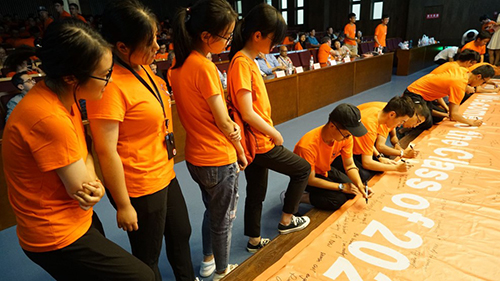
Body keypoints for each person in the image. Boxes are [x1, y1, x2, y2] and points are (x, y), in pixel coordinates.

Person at [3, 18, 155, 281]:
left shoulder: (62, 96)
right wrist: (90, 173)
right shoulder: (49, 117)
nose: (109, 81)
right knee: (142, 276)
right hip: (54, 232)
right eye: (104, 75)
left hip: (73, 218)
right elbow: (83, 190)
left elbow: (85, 151)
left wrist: (89, 169)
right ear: (72, 77)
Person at [86, 1, 195, 280]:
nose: (157, 47)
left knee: (181, 233)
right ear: (122, 46)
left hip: (164, 172)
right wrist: (123, 205)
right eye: (150, 42)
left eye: (157, 37)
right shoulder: (109, 86)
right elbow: (105, 150)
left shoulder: (143, 66)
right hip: (139, 184)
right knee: (148, 257)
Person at [170, 1, 246, 280]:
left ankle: (207, 260)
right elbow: (224, 121)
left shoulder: (176, 67)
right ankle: (223, 272)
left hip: (195, 157)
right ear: (206, 36)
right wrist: (239, 146)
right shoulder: (204, 68)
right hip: (217, 156)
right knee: (224, 218)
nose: (228, 41)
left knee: (212, 211)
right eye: (226, 36)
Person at [228, 3, 311, 254]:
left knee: (256, 191)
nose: (274, 46)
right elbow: (247, 112)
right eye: (272, 40)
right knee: (302, 169)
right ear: (257, 36)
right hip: (260, 142)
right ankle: (287, 220)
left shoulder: (250, 60)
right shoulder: (242, 62)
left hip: (256, 141)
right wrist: (274, 133)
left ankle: (254, 239)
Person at [294, 104, 371, 211]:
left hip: (324, 169)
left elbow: (349, 165)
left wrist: (360, 185)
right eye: (346, 135)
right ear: (332, 126)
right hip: (307, 177)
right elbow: (310, 180)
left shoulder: (345, 138)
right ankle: (297, 197)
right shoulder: (307, 146)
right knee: (337, 200)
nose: (348, 138)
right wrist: (341, 187)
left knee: (353, 191)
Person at [332, 96, 414, 182]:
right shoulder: (370, 125)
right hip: (338, 152)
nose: (400, 125)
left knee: (382, 163)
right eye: (402, 121)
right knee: (365, 175)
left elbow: (369, 142)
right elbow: (367, 163)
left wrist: (379, 157)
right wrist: (396, 168)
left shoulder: (378, 114)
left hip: (352, 145)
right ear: (392, 114)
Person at [403, 65, 494, 130]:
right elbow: (454, 115)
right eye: (483, 82)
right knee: (427, 122)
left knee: (438, 117)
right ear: (478, 76)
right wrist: (471, 122)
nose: (482, 84)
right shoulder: (459, 85)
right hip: (414, 93)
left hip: (425, 95)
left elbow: (449, 82)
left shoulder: (462, 70)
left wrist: (447, 110)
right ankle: (402, 128)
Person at [360, 101, 427, 158]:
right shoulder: (386, 119)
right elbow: (380, 146)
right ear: (413, 114)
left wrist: (397, 145)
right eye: (418, 121)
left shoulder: (396, 114)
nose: (415, 126)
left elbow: (393, 136)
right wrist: (403, 153)